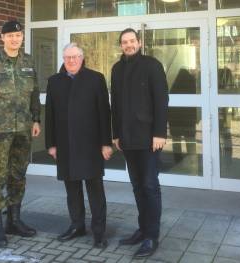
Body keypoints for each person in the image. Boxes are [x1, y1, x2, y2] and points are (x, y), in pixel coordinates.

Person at [0, 20, 41, 248]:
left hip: (23, 129)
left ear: (22, 37)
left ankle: (14, 220)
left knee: (18, 175)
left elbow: (35, 93)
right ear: (2, 38)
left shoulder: (29, 61)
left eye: (18, 35)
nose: (15, 39)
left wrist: (36, 119)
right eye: (10, 35)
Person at [45, 43, 112, 249]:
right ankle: (77, 225)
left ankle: (99, 232)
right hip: (65, 145)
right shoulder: (54, 81)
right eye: (67, 58)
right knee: (72, 189)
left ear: (82, 58)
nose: (71, 61)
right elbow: (50, 115)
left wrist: (106, 143)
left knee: (95, 190)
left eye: (75, 57)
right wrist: (51, 145)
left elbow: (104, 113)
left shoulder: (95, 78)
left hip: (91, 145)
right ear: (63, 59)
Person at [111, 28, 169, 258]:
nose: (129, 45)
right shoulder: (117, 69)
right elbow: (114, 103)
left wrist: (159, 133)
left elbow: (162, 101)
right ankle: (142, 229)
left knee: (150, 186)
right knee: (137, 186)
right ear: (121, 45)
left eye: (132, 41)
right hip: (127, 138)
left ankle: (152, 236)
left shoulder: (152, 65)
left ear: (139, 42)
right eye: (124, 42)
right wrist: (116, 134)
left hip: (148, 139)